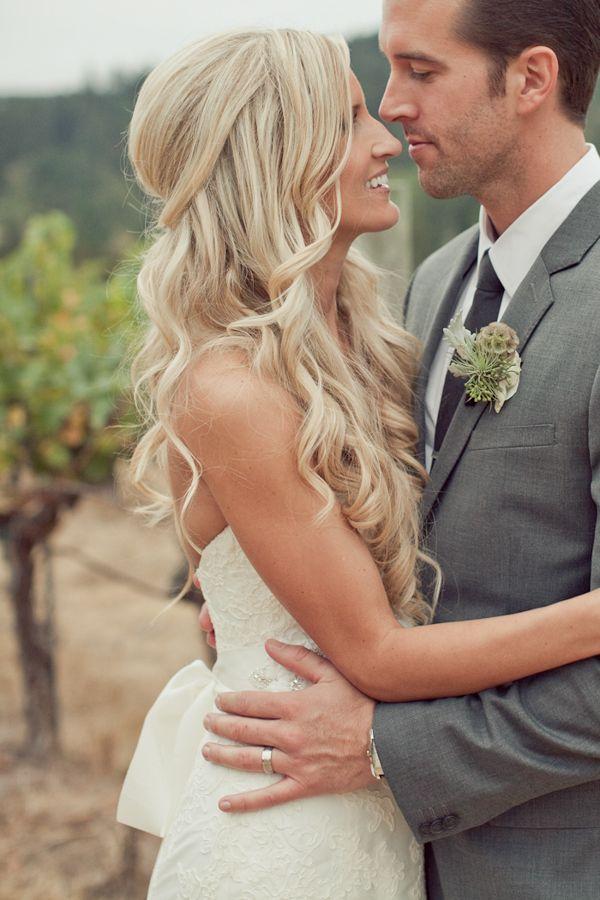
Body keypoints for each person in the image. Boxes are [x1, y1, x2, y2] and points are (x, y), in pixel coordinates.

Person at [116, 23, 600, 900]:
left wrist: (377, 732)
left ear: (532, 79)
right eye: (349, 114)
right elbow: (370, 647)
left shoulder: (369, 337)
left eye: (418, 70)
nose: (386, 120)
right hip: (289, 833)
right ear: (276, 159)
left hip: (447, 835)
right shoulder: (411, 297)